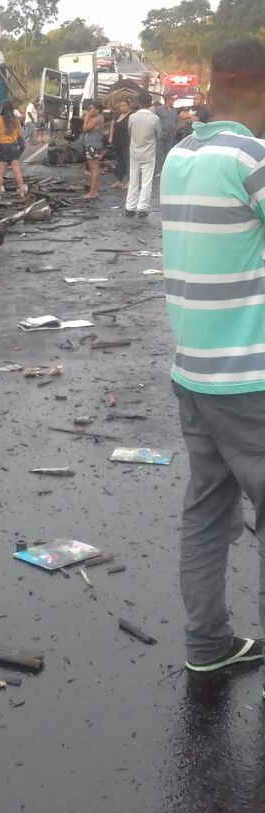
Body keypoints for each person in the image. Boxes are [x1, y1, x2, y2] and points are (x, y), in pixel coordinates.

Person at [159, 37, 265, 677]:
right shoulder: (252, 157)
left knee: (207, 510)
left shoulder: (182, 154)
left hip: (193, 373)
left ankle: (208, 644)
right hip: (252, 379)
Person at [125, 90, 161, 217]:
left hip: (134, 153)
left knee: (133, 180)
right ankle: (142, 208)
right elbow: (159, 134)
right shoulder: (155, 118)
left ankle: (129, 207)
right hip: (149, 154)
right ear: (150, 103)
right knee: (146, 182)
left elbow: (130, 132)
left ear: (139, 103)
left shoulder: (132, 117)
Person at [0, 103, 27, 204]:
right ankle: (21, 193)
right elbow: (20, 134)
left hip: (1, 146)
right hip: (13, 146)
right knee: (17, 171)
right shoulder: (15, 119)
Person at [82, 100, 105, 200]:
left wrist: (86, 117)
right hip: (94, 145)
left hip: (92, 145)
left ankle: (92, 192)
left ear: (97, 109)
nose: (90, 110)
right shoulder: (99, 118)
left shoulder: (97, 119)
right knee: (93, 169)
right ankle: (94, 191)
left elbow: (85, 129)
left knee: (94, 169)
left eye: (92, 108)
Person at [108, 98, 132, 188]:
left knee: (127, 161)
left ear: (128, 106)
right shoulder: (117, 114)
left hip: (127, 142)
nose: (122, 107)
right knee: (119, 161)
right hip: (117, 141)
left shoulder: (131, 115)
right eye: (121, 105)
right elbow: (112, 125)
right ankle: (119, 180)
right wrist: (111, 136)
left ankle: (130, 181)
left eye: (124, 105)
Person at [154, 95, 178, 171]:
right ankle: (158, 170)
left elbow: (175, 121)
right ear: (167, 100)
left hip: (171, 134)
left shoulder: (174, 110)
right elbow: (155, 120)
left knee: (168, 152)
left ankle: (166, 169)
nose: (173, 101)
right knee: (159, 152)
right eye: (172, 99)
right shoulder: (159, 109)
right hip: (161, 134)